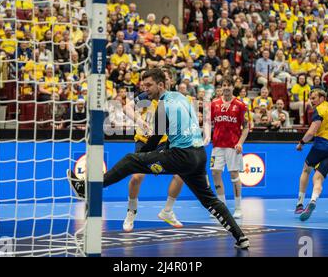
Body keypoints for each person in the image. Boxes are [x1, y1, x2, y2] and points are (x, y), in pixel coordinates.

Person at [67, 68, 250, 249]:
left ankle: (86, 189)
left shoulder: (163, 106)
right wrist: (150, 157)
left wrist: (143, 157)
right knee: (210, 200)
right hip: (199, 155)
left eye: (149, 85)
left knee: (131, 160)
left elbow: (155, 138)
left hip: (182, 155)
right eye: (143, 85)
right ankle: (240, 237)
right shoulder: (182, 98)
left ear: (161, 85)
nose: (145, 89)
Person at [121, 70, 185, 232]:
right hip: (144, 142)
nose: (166, 80)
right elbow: (126, 108)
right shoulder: (146, 96)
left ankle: (168, 211)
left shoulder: (174, 99)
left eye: (168, 78)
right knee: (136, 177)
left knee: (182, 174)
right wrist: (141, 122)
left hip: (165, 143)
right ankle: (131, 211)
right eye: (164, 78)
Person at [204, 77, 250, 219]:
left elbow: (246, 127)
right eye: (224, 85)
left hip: (233, 146)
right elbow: (207, 122)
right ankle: (221, 207)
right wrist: (206, 136)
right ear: (221, 87)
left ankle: (238, 208)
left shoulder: (241, 105)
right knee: (215, 172)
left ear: (232, 87)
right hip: (217, 146)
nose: (226, 88)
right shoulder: (214, 104)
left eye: (228, 85)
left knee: (234, 175)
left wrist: (240, 143)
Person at [294, 90, 328, 221]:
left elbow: (312, 131)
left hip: (322, 144)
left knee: (306, 170)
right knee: (318, 177)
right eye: (310, 98)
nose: (311, 100)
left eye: (314, 98)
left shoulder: (319, 110)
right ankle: (313, 200)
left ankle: (299, 204)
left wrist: (301, 143)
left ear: (322, 97)